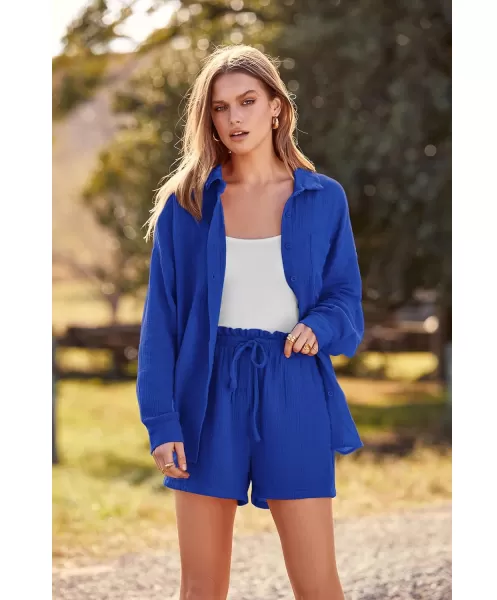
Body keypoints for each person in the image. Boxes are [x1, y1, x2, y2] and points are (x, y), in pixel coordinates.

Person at [136, 44, 364, 600]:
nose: (234, 118)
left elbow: (345, 299)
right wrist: (162, 421)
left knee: (318, 584)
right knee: (201, 587)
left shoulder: (323, 199)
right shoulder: (187, 205)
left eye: (247, 101)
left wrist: (320, 325)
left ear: (276, 107)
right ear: (208, 117)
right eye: (220, 107)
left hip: (293, 381)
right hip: (207, 392)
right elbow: (161, 322)